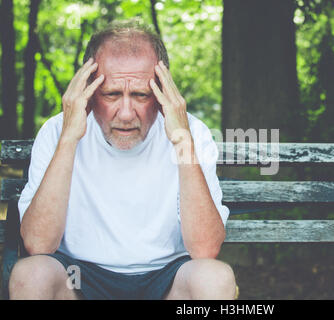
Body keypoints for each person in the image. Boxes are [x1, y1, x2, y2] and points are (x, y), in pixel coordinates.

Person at [8, 20, 236, 300]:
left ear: (163, 91)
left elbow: (205, 249)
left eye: (141, 94)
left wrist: (181, 140)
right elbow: (37, 243)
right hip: (79, 277)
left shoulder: (192, 132)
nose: (126, 113)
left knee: (215, 278)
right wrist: (69, 139)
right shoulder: (57, 130)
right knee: (30, 275)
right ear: (88, 91)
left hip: (166, 279)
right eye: (112, 94)